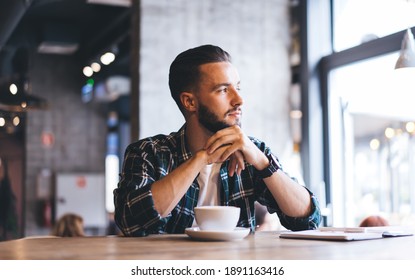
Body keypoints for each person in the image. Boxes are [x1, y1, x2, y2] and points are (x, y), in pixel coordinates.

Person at [114, 44, 321, 236]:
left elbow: (307, 219)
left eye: (237, 88)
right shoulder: (148, 153)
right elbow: (131, 222)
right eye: (223, 90)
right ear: (190, 102)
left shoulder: (252, 152)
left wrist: (262, 162)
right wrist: (201, 159)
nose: (239, 100)